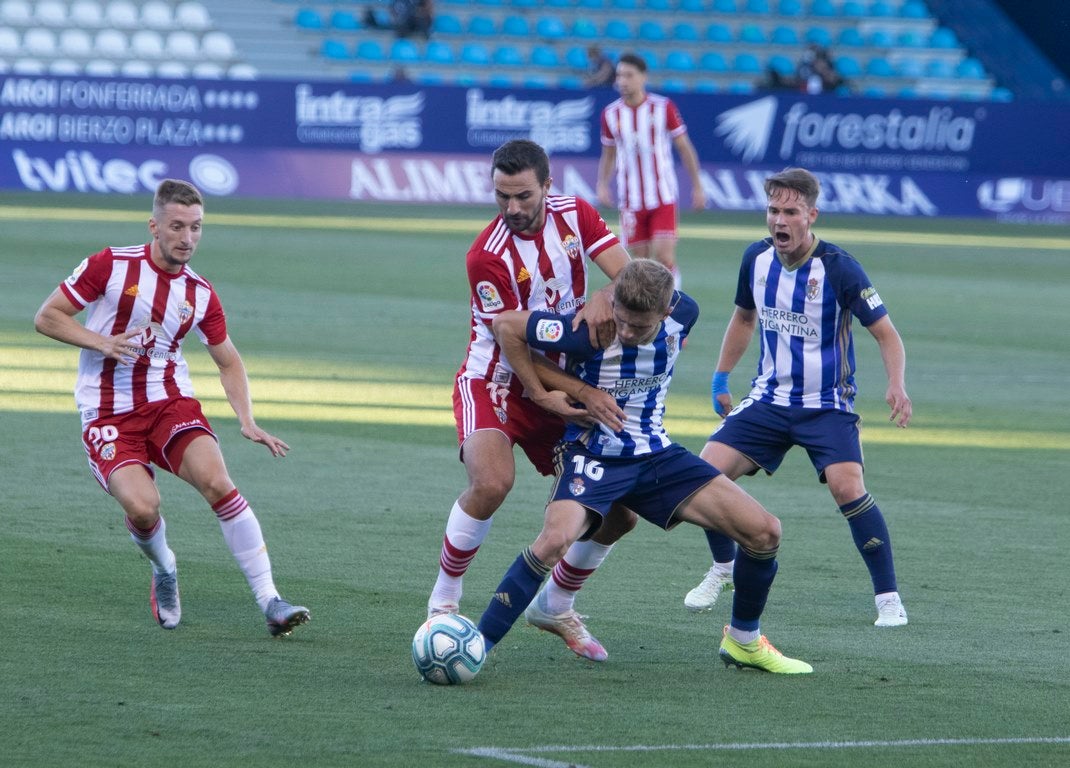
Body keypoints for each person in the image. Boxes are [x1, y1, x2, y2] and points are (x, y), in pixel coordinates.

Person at [476, 260, 812, 674]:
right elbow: (507, 326)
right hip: (590, 452)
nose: (627, 333)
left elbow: (655, 280)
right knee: (553, 541)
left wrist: (609, 293)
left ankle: (743, 641)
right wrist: (559, 392)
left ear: (667, 312)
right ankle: (478, 645)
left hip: (656, 455)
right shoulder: (586, 330)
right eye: (622, 321)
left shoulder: (685, 313)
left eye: (640, 326)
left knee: (764, 532)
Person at [33, 179, 310, 638]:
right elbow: (47, 316)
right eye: (177, 226)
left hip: (168, 403)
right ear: (154, 226)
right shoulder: (111, 265)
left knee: (218, 481)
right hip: (107, 413)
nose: (187, 238)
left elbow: (227, 359)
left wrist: (247, 420)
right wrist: (101, 342)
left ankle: (270, 600)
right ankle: (164, 568)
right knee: (143, 509)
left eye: (196, 228)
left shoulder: (200, 293)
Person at [426, 139, 633, 661]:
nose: (512, 208)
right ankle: (444, 601)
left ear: (548, 186)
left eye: (522, 196)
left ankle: (557, 602)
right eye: (501, 196)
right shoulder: (485, 256)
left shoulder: (576, 214)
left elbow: (629, 277)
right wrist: (556, 394)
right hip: (496, 380)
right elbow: (511, 342)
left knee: (621, 512)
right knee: (492, 481)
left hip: (562, 382)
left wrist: (606, 294)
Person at [684, 167, 911, 628]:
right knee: (704, 475)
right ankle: (722, 568)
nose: (779, 221)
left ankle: (888, 597)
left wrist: (896, 384)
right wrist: (720, 378)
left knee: (849, 488)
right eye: (773, 210)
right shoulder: (756, 259)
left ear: (811, 215)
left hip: (826, 404)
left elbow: (886, 334)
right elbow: (744, 319)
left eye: (790, 211)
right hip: (768, 400)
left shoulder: (840, 267)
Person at [597, 52, 706, 290]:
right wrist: (602, 184)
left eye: (628, 75)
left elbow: (685, 148)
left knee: (665, 257)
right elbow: (608, 154)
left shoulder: (663, 107)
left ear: (643, 77)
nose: (622, 81)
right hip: (631, 199)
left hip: (662, 194)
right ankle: (647, 315)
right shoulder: (610, 114)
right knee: (639, 264)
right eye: (619, 76)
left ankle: (673, 308)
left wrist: (698, 186)